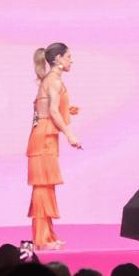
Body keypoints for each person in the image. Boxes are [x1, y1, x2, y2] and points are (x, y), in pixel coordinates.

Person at [27, 41, 84, 250]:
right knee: (42, 187)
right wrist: (70, 134)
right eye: (68, 56)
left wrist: (69, 110)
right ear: (58, 59)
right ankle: (41, 239)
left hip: (46, 137)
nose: (71, 60)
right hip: (43, 138)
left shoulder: (52, 80)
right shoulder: (53, 81)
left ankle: (48, 236)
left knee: (46, 187)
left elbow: (50, 108)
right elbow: (52, 111)